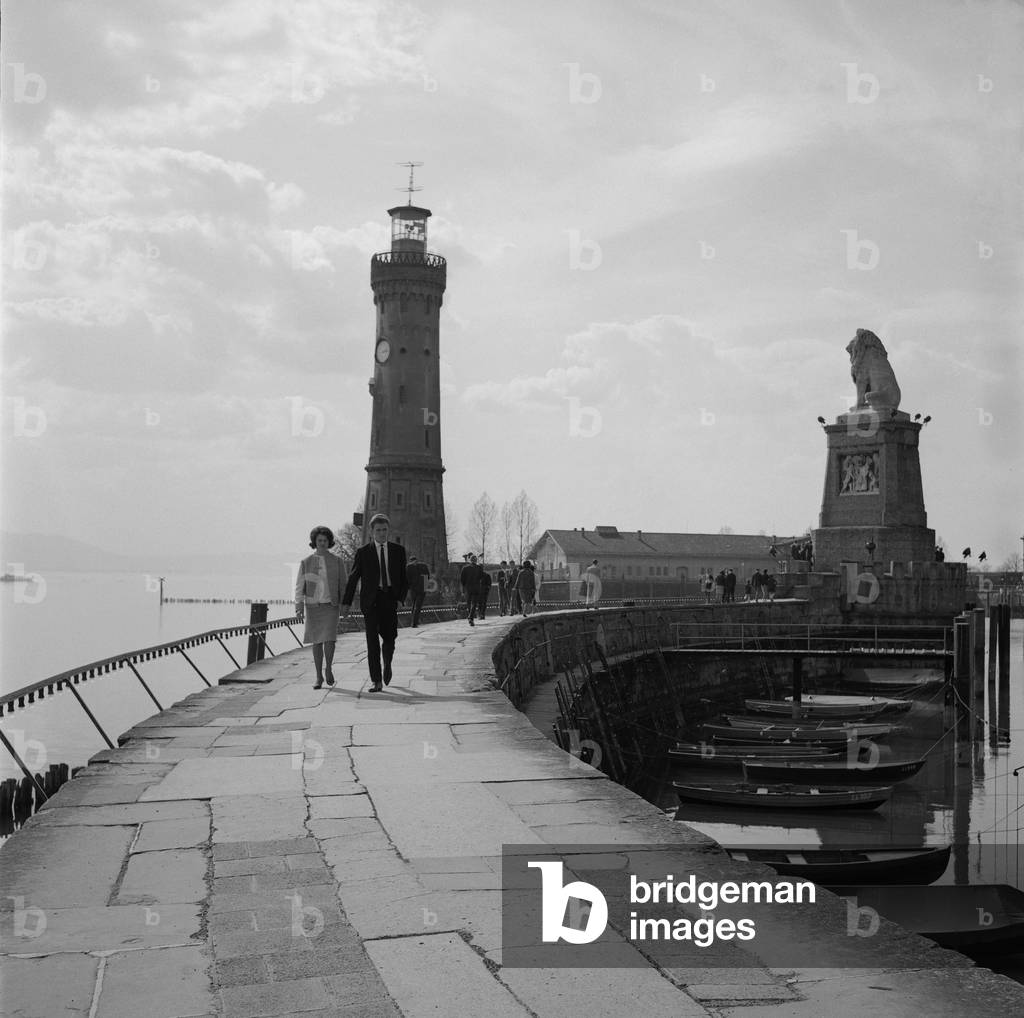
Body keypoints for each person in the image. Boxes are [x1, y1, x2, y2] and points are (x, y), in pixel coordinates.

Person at [342, 514, 408, 692]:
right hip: (370, 601)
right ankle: (376, 680)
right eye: (378, 530)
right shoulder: (363, 552)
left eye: (384, 530)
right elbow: (353, 578)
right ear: (371, 532)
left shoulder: (398, 551)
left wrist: (401, 599)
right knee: (372, 642)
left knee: (390, 638)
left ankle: (387, 662)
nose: (381, 533)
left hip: (390, 599)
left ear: (388, 530)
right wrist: (346, 603)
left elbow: (404, 578)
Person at [294, 525, 347, 690]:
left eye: (325, 540)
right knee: (316, 642)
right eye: (319, 540)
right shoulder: (306, 562)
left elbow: (343, 585)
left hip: (331, 606)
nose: (322, 543)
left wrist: (345, 604)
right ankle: (318, 676)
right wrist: (299, 606)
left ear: (329, 542)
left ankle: (328, 668)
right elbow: (299, 586)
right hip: (313, 607)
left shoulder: (337, 561)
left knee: (330, 639)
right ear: (314, 542)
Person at [405, 554, 430, 627]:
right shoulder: (423, 566)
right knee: (417, 606)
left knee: (415, 605)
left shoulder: (408, 567)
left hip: (415, 589)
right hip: (420, 589)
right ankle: (414, 623)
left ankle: (414, 622)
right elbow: (427, 576)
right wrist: (424, 588)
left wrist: (410, 587)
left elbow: (407, 579)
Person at [460, 553, 483, 626]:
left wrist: (464, 587)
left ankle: (470, 617)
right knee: (474, 603)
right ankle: (471, 617)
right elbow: (481, 577)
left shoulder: (465, 568)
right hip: (476, 588)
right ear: (476, 560)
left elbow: (462, 579)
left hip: (468, 588)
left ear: (470, 560)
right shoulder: (479, 568)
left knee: (469, 603)